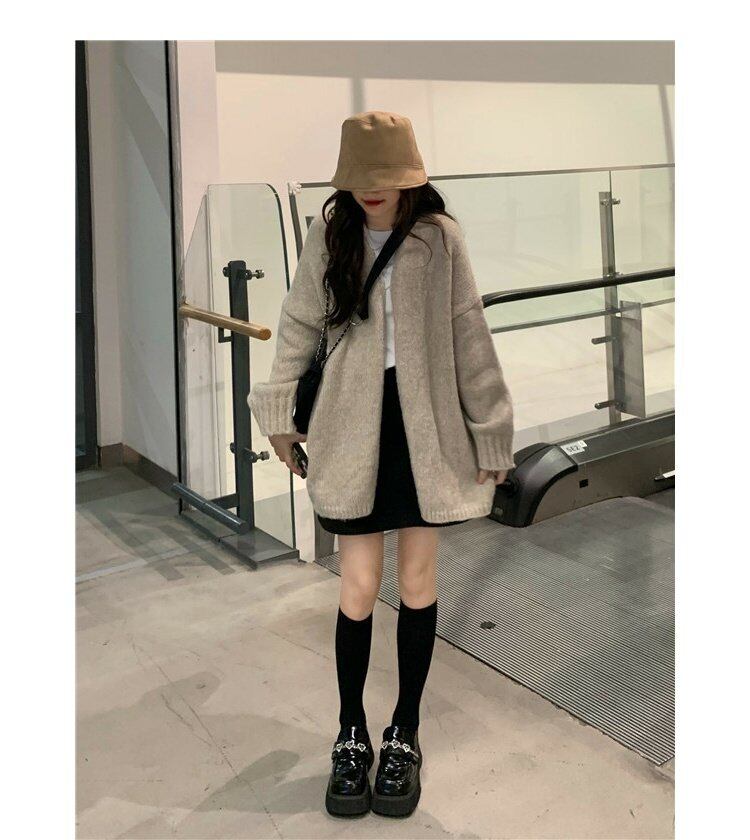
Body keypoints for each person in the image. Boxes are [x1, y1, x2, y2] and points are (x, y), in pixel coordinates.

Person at [248, 111, 514, 818]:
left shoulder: (439, 237)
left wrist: (491, 428)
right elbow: (300, 322)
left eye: (385, 178)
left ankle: (405, 732)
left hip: (423, 433)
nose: (372, 190)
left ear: (409, 177)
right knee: (359, 585)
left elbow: (469, 332)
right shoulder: (331, 232)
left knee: (418, 581)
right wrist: (279, 413)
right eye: (360, 178)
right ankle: (350, 733)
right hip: (348, 427)